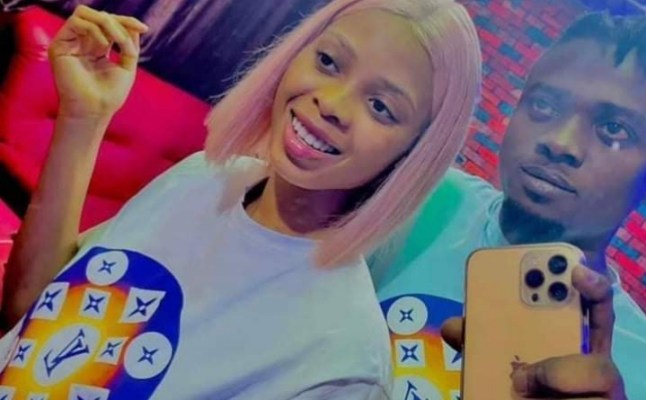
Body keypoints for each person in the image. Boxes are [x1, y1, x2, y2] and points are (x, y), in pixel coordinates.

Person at [0, 1, 481, 398]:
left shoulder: (342, 360)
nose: (332, 103)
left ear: (415, 153)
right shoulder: (204, 178)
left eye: (381, 106)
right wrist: (83, 119)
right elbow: (32, 311)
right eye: (328, 61)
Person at [370, 12, 646, 400]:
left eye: (614, 129)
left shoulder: (638, 367)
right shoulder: (417, 195)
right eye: (544, 105)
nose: (561, 142)